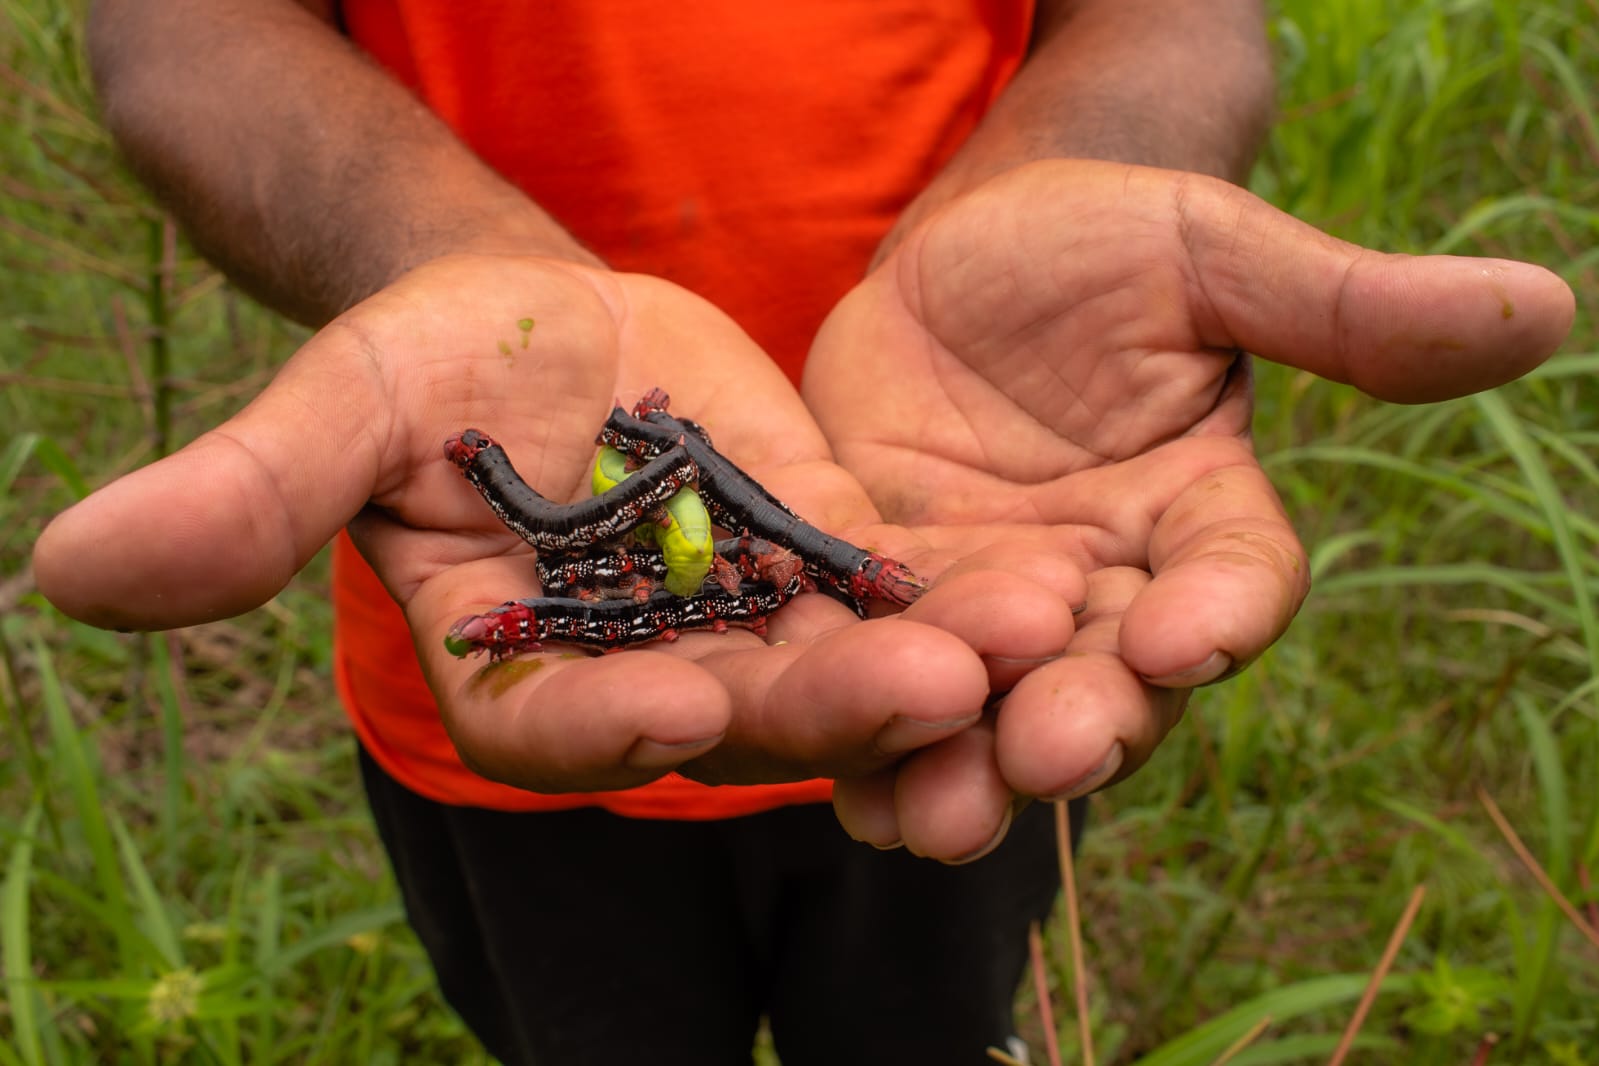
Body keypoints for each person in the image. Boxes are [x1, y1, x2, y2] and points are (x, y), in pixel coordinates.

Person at [35, 1, 1574, 1063]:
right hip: (488, 690)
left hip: (970, 634)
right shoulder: (577, 544)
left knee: (934, 1016)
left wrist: (1068, 165)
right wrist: (448, 253)